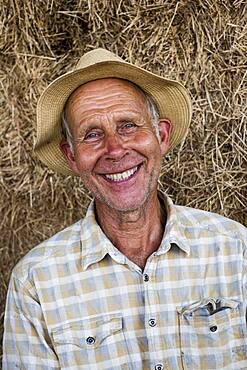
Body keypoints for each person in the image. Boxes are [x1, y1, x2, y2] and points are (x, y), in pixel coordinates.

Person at [2, 48, 247, 370]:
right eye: (92, 135)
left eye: (129, 126)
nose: (115, 149)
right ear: (72, 156)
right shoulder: (36, 282)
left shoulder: (235, 249)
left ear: (161, 136)